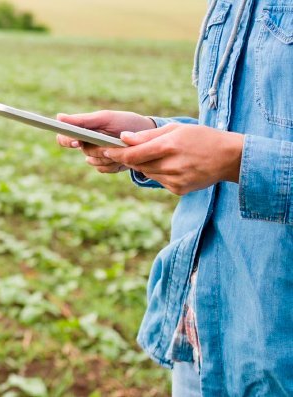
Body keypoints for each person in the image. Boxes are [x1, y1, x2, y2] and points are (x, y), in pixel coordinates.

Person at [57, 1, 292, 396]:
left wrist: (235, 160)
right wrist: (152, 134)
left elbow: (234, 150)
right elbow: (234, 130)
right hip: (207, 333)